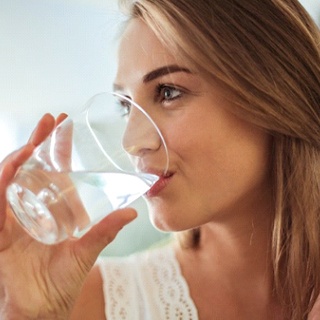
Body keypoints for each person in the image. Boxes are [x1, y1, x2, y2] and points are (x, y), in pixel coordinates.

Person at [0, 0, 320, 319]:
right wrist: (30, 315)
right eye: (126, 107)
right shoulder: (87, 305)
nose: (131, 142)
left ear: (276, 97)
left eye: (168, 92)